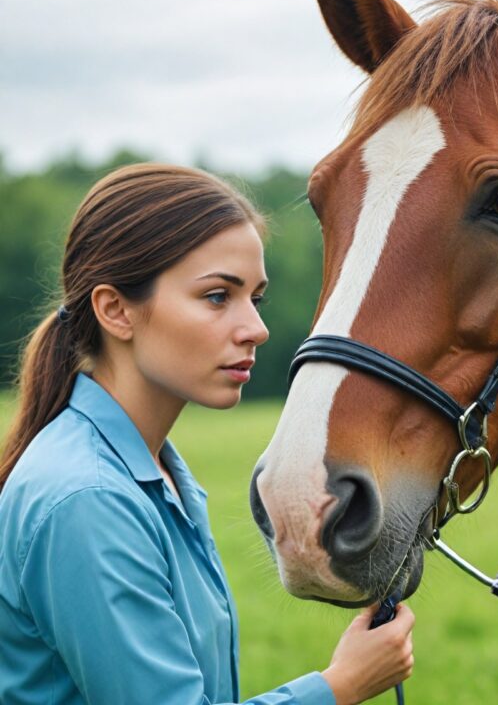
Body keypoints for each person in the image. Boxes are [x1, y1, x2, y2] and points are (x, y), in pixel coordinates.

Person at [0, 163, 415, 705]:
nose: (256, 328)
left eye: (255, 299)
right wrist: (339, 687)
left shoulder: (153, 472)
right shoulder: (89, 498)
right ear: (115, 310)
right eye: (218, 296)